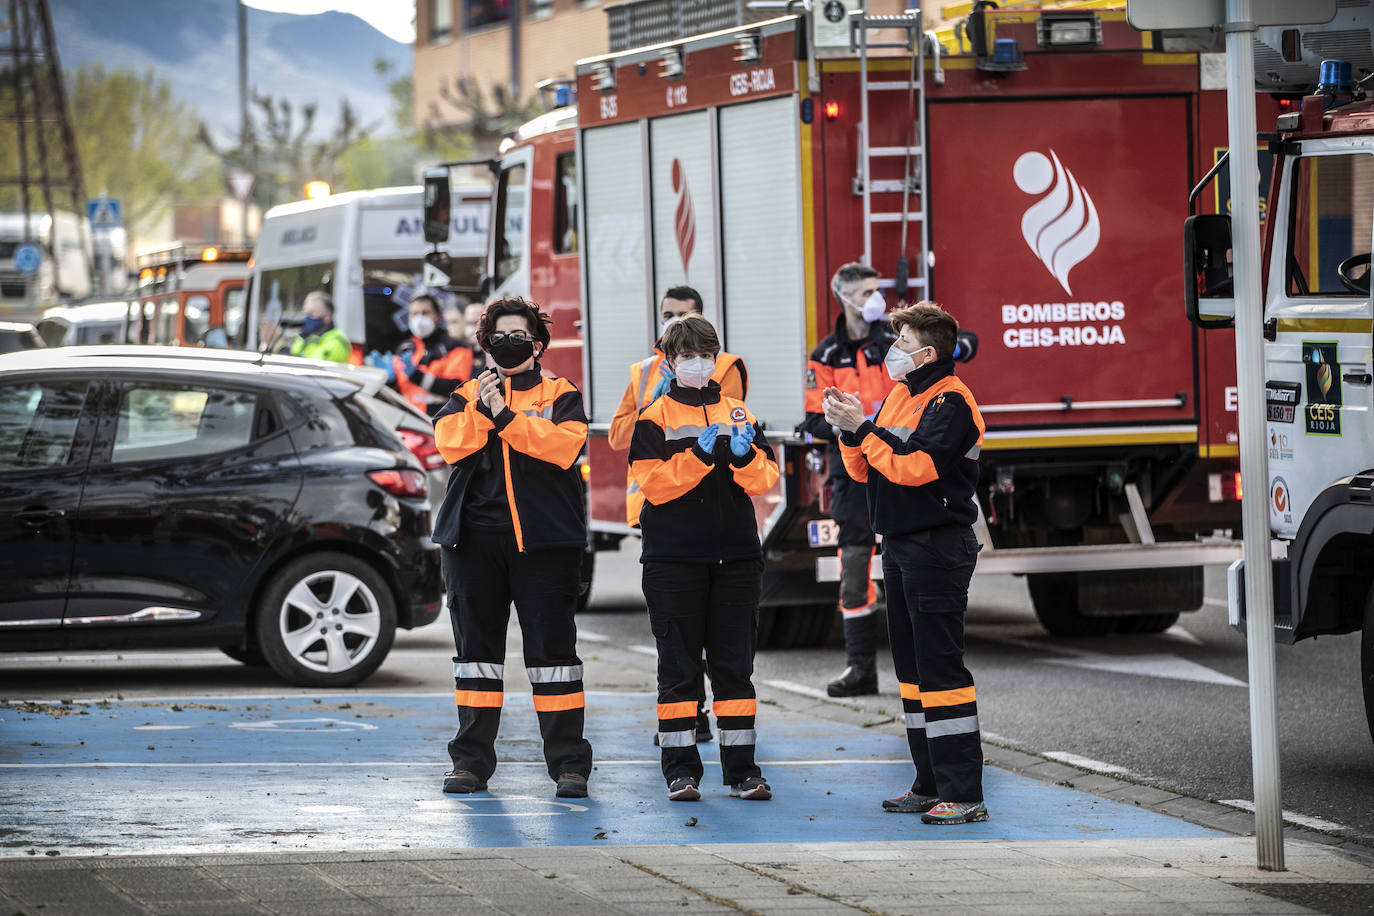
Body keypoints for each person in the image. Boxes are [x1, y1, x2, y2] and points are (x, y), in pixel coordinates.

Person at [823, 301, 987, 826]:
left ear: (928, 353)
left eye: (902, 342)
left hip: (936, 545)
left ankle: (964, 793)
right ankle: (929, 782)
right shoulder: (902, 394)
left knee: (941, 670)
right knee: (913, 675)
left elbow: (916, 467)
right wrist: (849, 429)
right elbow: (868, 467)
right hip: (899, 542)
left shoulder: (951, 401)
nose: (893, 351)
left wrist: (865, 433)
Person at [430, 295, 593, 799]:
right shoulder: (465, 394)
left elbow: (562, 447)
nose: (507, 343)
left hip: (544, 545)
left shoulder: (561, 393)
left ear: (537, 344)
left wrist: (507, 418)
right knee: (476, 659)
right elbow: (451, 444)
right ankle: (471, 763)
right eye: (498, 336)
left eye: (518, 335)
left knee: (554, 659)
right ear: (485, 342)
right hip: (473, 543)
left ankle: (569, 765)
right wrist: (486, 405)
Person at [629, 314, 779, 802]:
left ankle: (743, 772)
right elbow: (653, 485)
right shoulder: (653, 418)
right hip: (674, 559)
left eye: (706, 355)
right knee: (679, 668)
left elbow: (765, 479)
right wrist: (698, 457)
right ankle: (680, 771)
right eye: (689, 356)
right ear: (670, 362)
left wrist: (740, 456)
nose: (699, 364)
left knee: (735, 668)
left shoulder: (740, 413)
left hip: (736, 557)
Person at [608, 285, 748, 744]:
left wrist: (735, 451)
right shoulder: (643, 372)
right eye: (668, 314)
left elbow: (728, 421)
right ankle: (687, 727)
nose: (674, 321)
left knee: (721, 645)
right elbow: (617, 436)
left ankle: (706, 723)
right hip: (664, 520)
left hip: (720, 524)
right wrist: (658, 413)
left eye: (683, 314)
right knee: (678, 640)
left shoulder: (725, 368)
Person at [799, 262, 897, 698]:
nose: (875, 299)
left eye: (877, 289)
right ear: (844, 297)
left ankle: (918, 667)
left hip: (900, 465)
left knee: (908, 565)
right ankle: (861, 667)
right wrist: (849, 426)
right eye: (866, 292)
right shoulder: (824, 356)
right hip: (852, 473)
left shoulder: (896, 345)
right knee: (854, 568)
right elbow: (813, 421)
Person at [392, 293, 475, 416]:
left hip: (439, 420)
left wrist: (417, 376)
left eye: (425, 312)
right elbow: (399, 390)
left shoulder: (455, 347)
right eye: (414, 313)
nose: (419, 318)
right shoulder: (406, 348)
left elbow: (457, 387)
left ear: (438, 316)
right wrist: (389, 380)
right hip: (406, 421)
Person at [273, 291, 351, 363]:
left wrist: (279, 348)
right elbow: (293, 357)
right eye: (306, 314)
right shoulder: (305, 337)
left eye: (311, 314)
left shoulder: (337, 341)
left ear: (328, 316)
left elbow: (311, 366)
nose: (307, 318)